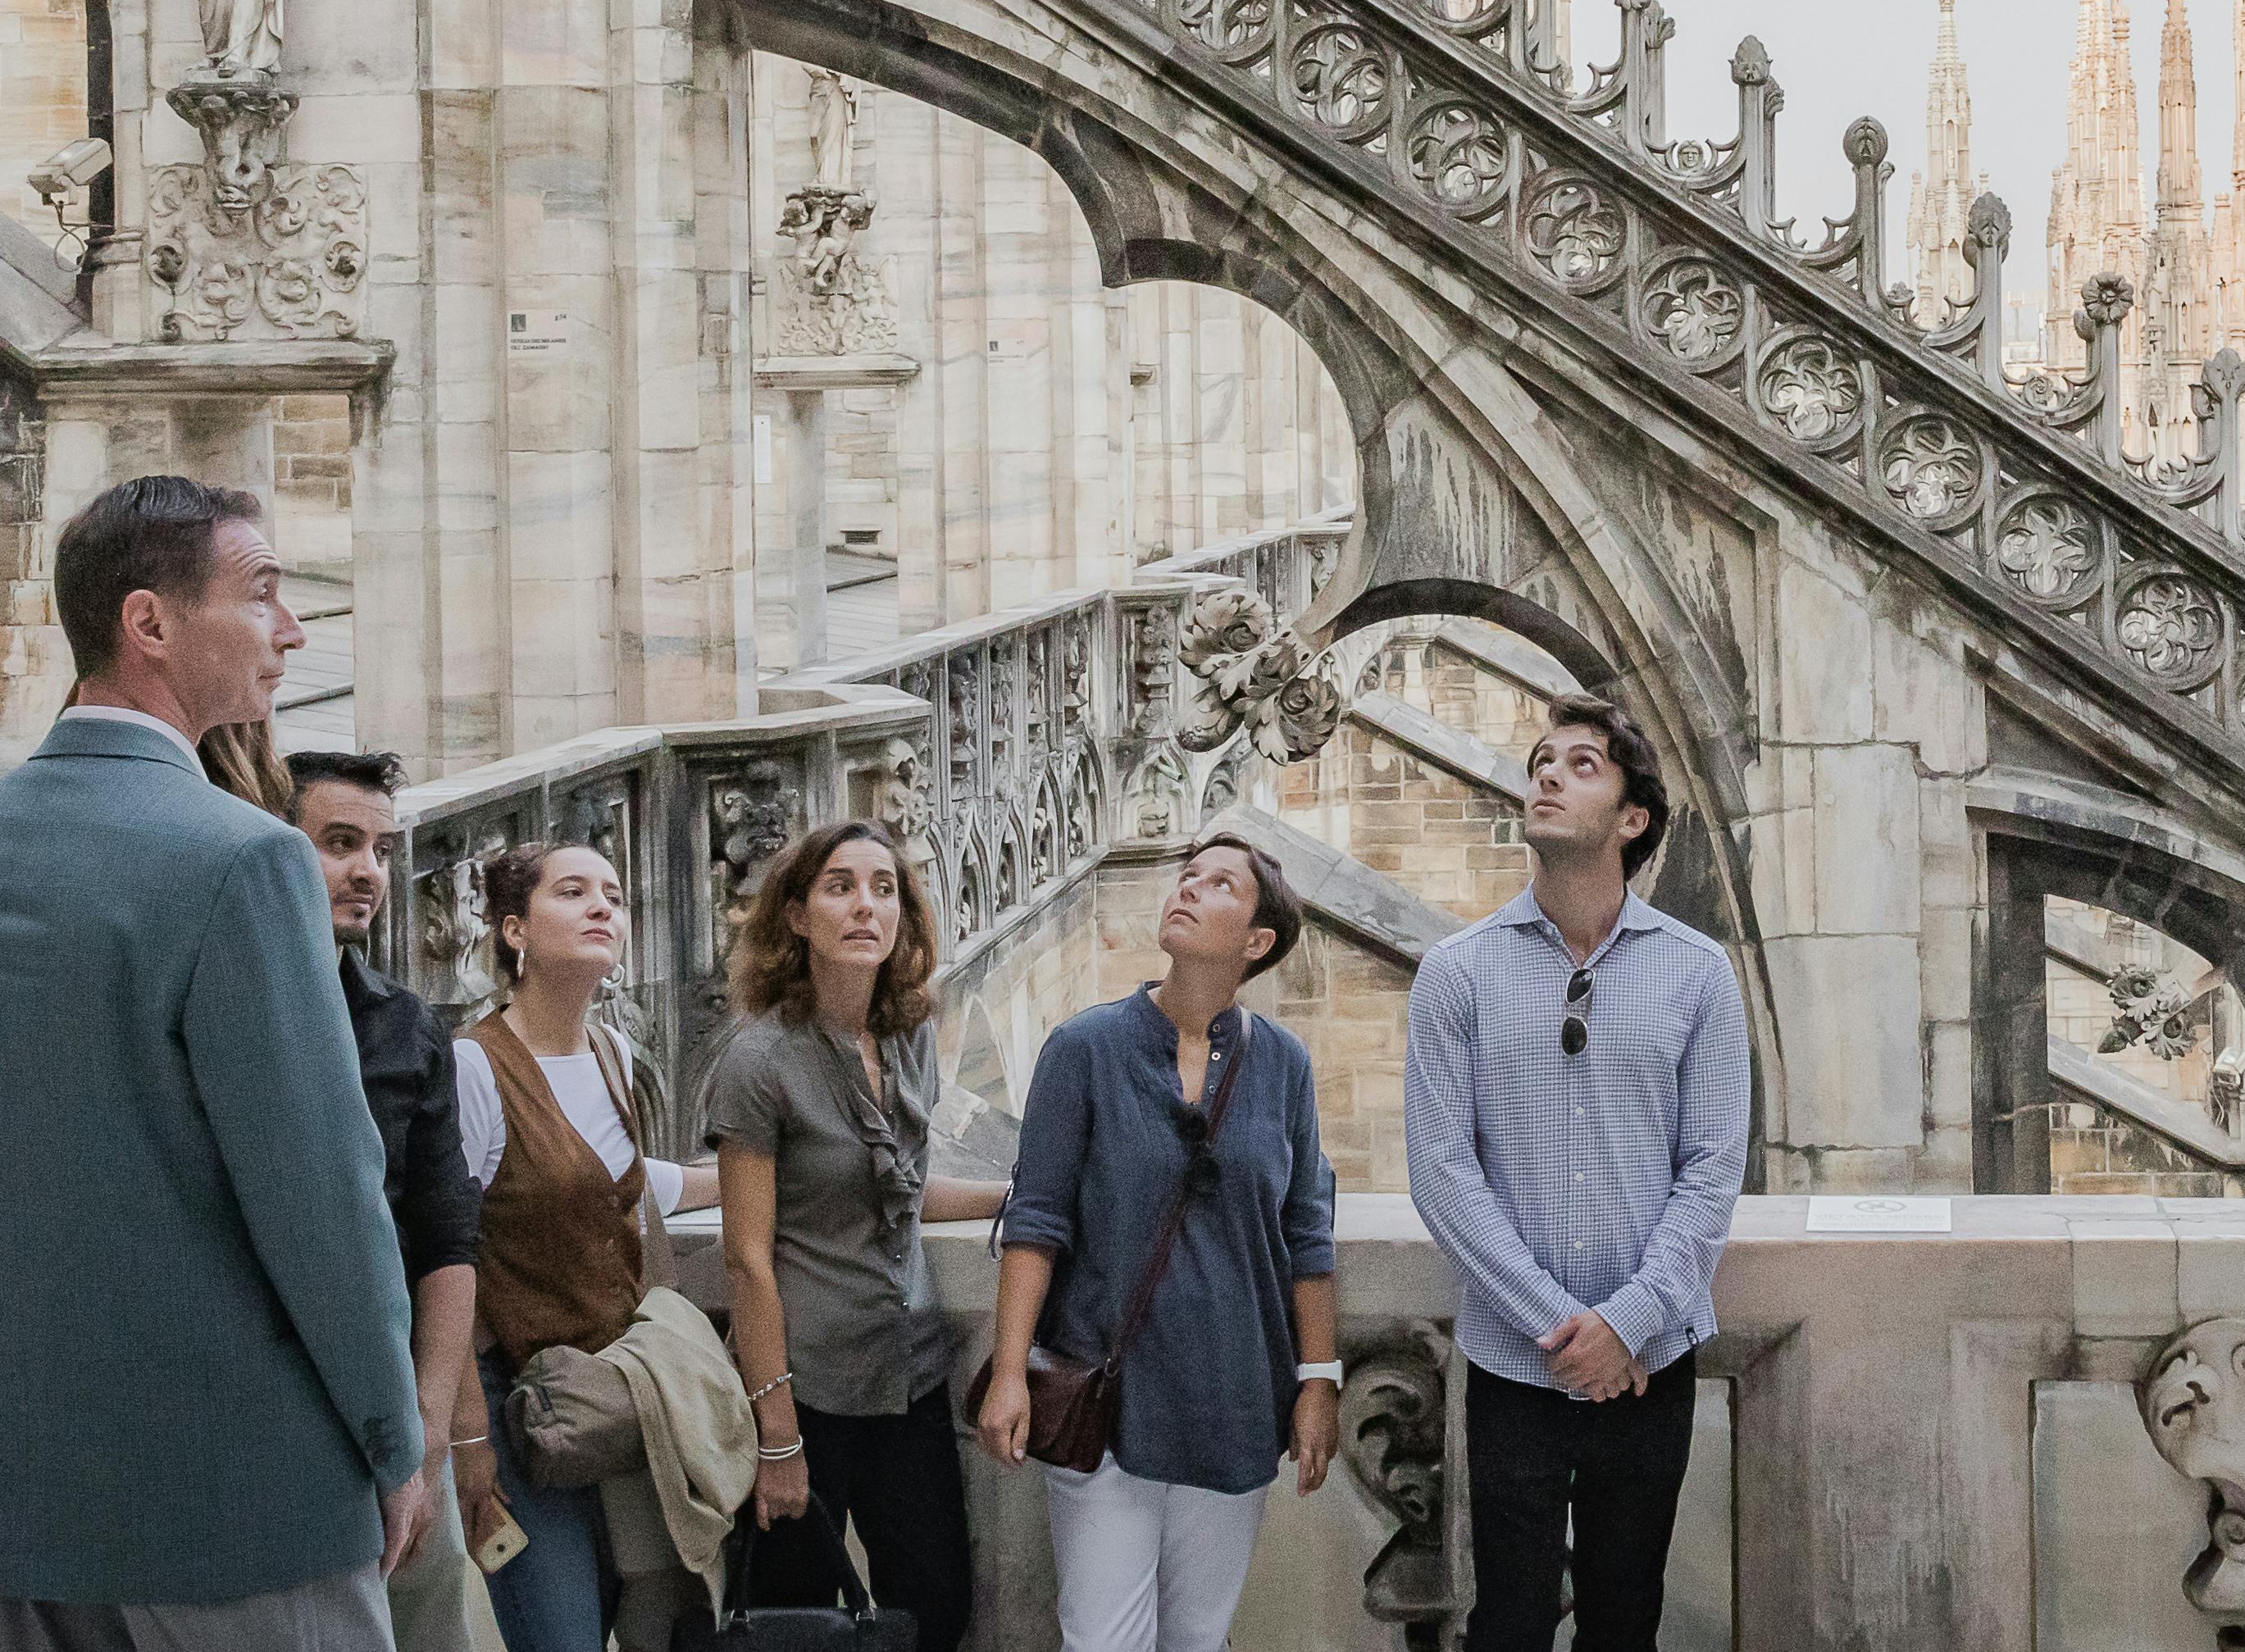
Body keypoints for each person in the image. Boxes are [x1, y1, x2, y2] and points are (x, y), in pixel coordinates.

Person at [0, 473, 437, 1648]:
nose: (289, 628)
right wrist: (395, 1439)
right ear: (148, 622)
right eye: (263, 594)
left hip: (35, 1493)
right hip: (245, 1501)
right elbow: (321, 1197)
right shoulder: (244, 859)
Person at [1400, 697, 1749, 1652]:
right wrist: (1563, 1328)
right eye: (1540, 760)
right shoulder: (1456, 973)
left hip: (1651, 1361)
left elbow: (1712, 1168)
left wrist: (1629, 1322)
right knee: (1504, 1624)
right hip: (1517, 1362)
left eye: (1580, 764)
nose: (1546, 775)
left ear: (1631, 818)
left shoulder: (1698, 973)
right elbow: (1439, 1170)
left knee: (1622, 1621)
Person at [976, 834, 1341, 1652]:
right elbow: (1036, 1222)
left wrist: (1318, 1381)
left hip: (1237, 1400)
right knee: (1103, 1641)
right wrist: (1008, 1373)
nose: (1187, 888)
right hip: (1110, 1400)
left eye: (1218, 884)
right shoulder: (1083, 1049)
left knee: (1197, 1640)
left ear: (1256, 942)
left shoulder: (1282, 1064)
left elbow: (1306, 1234)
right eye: (1187, 876)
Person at [702, 822, 1001, 1640]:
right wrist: (776, 1437)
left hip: (908, 1379)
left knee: (936, 1613)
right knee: (791, 1624)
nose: (865, 905)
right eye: (839, 886)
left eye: (883, 887)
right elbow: (746, 1258)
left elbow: (894, 1196)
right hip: (806, 1395)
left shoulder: (907, 1039)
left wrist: (1013, 1199)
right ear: (796, 917)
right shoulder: (757, 1062)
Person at [454, 836, 694, 1652]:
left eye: (614, 895)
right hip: (518, 1406)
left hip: (615, 1390)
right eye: (573, 892)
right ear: (514, 930)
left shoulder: (611, 1053)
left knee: (648, 1619)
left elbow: (623, 1187)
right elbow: (441, 1257)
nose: (602, 906)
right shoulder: (475, 1067)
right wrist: (465, 1441)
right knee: (558, 1635)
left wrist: (763, 1175)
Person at [288, 749, 491, 1652]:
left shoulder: (406, 1024)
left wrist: (429, 1432)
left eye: (380, 848)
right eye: (339, 842)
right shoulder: (209, 1006)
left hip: (397, 1418)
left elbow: (448, 1240)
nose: (367, 871)